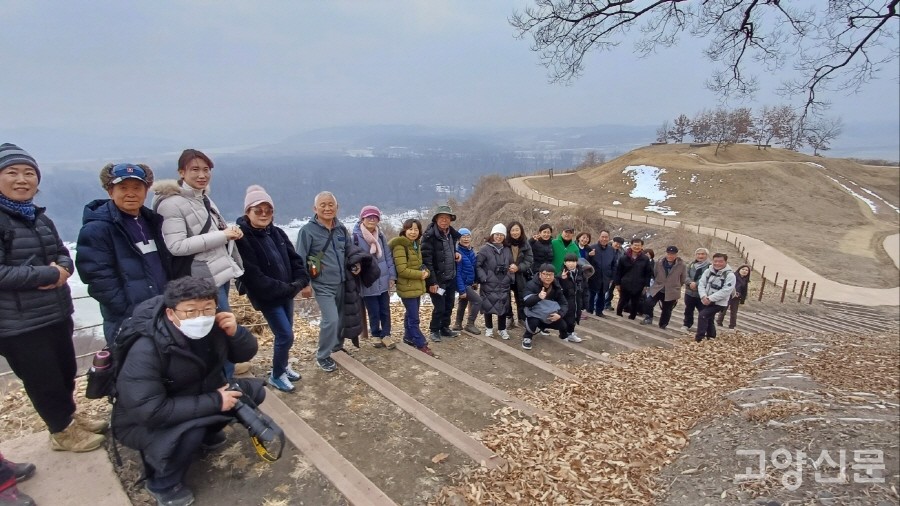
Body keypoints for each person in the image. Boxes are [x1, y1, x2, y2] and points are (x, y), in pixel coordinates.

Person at [112, 277, 264, 506]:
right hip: (140, 421)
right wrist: (215, 402)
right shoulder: (146, 349)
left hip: (196, 394)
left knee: (254, 393)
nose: (200, 317)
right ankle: (163, 483)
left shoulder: (213, 327)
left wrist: (236, 333)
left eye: (207, 309)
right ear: (171, 313)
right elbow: (150, 411)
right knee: (191, 431)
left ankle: (207, 433)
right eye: (190, 311)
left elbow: (244, 354)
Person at [0, 143, 106, 454]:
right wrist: (48, 274)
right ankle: (61, 431)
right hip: (19, 322)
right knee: (43, 379)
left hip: (55, 311)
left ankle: (69, 418)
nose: (22, 179)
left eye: (29, 173)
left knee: (63, 370)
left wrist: (63, 268)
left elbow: (61, 253)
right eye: (12, 172)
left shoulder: (38, 218)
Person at [76, 163, 174, 343]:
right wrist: (129, 310)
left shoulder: (151, 222)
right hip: (128, 319)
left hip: (162, 310)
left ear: (146, 191)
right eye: (123, 188)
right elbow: (97, 278)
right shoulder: (97, 229)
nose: (131, 193)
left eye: (137, 188)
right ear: (110, 191)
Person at [234, 185, 309, 392]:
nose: (264, 214)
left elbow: (295, 260)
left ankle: (283, 366)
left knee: (286, 333)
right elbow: (253, 276)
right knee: (285, 335)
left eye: (268, 210)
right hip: (267, 297)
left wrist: (300, 280)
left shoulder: (277, 233)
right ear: (247, 212)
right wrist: (290, 288)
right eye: (258, 210)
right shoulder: (243, 239)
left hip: (287, 293)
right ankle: (277, 375)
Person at [153, 149, 244, 311]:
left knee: (222, 320)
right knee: (223, 321)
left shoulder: (202, 197)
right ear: (181, 172)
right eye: (195, 169)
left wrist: (230, 232)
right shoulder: (170, 204)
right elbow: (176, 246)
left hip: (218, 273)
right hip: (200, 279)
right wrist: (223, 235)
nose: (202, 175)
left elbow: (214, 229)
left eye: (206, 170)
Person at [295, 191, 348, 372]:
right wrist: (304, 284)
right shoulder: (307, 231)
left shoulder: (341, 229)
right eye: (323, 205)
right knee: (331, 320)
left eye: (330, 204)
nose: (327, 208)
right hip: (322, 284)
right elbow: (299, 259)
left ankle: (337, 347)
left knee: (341, 318)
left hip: (342, 281)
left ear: (337, 207)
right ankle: (323, 355)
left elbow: (349, 251)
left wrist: (356, 265)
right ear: (315, 208)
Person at [352, 205, 397, 349]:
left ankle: (386, 335)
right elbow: (351, 258)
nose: (372, 220)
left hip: (383, 279)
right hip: (367, 281)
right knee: (373, 311)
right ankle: (375, 334)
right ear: (362, 219)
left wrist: (392, 275)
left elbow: (387, 256)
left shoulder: (381, 236)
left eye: (375, 217)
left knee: (385, 310)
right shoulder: (355, 237)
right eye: (368, 217)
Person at [389, 219, 435, 356]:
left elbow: (419, 265)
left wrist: (426, 271)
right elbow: (402, 270)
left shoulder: (415, 244)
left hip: (415, 286)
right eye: (410, 229)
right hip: (407, 286)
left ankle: (408, 337)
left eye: (416, 229)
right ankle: (420, 343)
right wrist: (420, 275)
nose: (413, 232)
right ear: (404, 230)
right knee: (414, 318)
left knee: (410, 313)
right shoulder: (400, 246)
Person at [421, 205, 462, 343]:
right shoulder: (429, 237)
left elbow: (449, 251)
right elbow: (426, 261)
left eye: (447, 218)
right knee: (439, 307)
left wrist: (456, 253)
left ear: (451, 220)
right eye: (441, 218)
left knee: (449, 305)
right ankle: (434, 330)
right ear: (436, 219)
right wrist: (432, 282)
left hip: (450, 277)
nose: (444, 220)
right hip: (437, 280)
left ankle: (444, 328)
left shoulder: (450, 234)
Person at [478, 224, 514, 339]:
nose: (499, 237)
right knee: (487, 305)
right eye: (497, 234)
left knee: (503, 306)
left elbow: (511, 264)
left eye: (501, 235)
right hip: (489, 282)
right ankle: (489, 328)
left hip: (504, 282)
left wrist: (510, 276)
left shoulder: (507, 250)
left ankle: (502, 329)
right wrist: (484, 277)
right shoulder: (485, 249)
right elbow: (477, 265)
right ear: (492, 235)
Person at [520, 264, 569, 351]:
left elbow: (564, 303)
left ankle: (561, 335)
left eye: (550, 274)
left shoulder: (556, 286)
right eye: (545, 274)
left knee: (563, 325)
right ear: (540, 274)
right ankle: (527, 337)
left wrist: (559, 314)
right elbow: (526, 303)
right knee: (533, 322)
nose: (548, 277)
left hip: (547, 314)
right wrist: (538, 297)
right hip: (533, 312)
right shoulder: (531, 285)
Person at [641, 246, 686, 329]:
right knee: (648, 302)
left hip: (671, 290)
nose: (670, 256)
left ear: (676, 255)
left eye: (672, 254)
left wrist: (676, 286)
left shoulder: (681, 265)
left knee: (667, 309)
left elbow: (682, 278)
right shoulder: (660, 262)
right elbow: (655, 273)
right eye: (669, 254)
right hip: (658, 287)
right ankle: (649, 317)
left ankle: (663, 324)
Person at [695, 253, 736, 342]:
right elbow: (701, 284)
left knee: (703, 315)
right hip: (706, 299)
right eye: (715, 261)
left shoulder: (730, 275)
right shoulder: (708, 271)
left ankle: (699, 338)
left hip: (719, 303)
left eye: (720, 261)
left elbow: (726, 291)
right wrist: (703, 296)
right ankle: (711, 336)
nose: (717, 264)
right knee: (709, 318)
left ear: (725, 262)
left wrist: (710, 298)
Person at [613, 238, 653, 320]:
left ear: (642, 246)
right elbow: (618, 272)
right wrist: (617, 283)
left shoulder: (645, 259)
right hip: (625, 282)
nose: (636, 247)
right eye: (635, 245)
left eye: (639, 245)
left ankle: (632, 316)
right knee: (623, 299)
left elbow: (648, 273)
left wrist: (646, 285)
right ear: (631, 246)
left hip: (639, 284)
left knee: (635, 301)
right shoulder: (624, 258)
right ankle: (619, 313)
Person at [452, 227, 482, 334]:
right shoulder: (458, 253)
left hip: (468, 283)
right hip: (462, 284)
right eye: (463, 237)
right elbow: (458, 274)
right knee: (478, 301)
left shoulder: (471, 251)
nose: (466, 239)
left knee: (463, 301)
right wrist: (462, 290)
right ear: (459, 239)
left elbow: (473, 269)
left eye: (468, 236)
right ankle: (470, 324)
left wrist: (475, 282)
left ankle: (457, 324)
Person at [503, 221, 533, 328]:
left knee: (521, 296)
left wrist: (518, 267)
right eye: (513, 230)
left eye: (517, 230)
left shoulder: (525, 243)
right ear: (509, 231)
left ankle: (522, 318)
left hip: (520, 275)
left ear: (521, 231)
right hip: (506, 274)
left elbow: (529, 260)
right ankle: (509, 317)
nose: (515, 232)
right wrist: (507, 267)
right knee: (505, 297)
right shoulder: (504, 243)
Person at [558, 253, 589, 342]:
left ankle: (570, 333)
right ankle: (563, 335)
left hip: (577, 300)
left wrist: (585, 303)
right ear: (565, 263)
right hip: (566, 301)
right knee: (566, 318)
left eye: (573, 261)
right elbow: (559, 290)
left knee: (575, 317)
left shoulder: (581, 274)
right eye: (568, 261)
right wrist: (562, 279)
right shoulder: (561, 274)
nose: (571, 264)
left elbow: (585, 289)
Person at [680, 248, 711, 332]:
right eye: (698, 254)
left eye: (702, 254)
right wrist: (690, 282)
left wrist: (696, 284)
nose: (700, 256)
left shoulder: (710, 267)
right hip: (689, 292)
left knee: (703, 311)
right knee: (688, 309)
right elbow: (685, 275)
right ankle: (687, 324)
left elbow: (707, 278)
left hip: (702, 294)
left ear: (706, 255)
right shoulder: (691, 264)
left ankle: (703, 328)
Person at [588, 230, 617, 317]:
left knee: (602, 294)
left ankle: (599, 311)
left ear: (609, 238)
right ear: (599, 237)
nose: (604, 239)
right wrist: (590, 256)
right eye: (602, 237)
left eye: (606, 237)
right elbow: (586, 262)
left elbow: (614, 264)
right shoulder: (592, 247)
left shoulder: (611, 250)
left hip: (606, 276)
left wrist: (612, 276)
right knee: (591, 294)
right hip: (594, 276)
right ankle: (589, 310)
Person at [717, 264, 750, 331]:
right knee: (724, 308)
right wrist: (733, 292)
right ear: (739, 270)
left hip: (737, 297)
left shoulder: (745, 280)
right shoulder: (733, 276)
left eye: (746, 270)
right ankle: (719, 322)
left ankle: (732, 325)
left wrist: (742, 299)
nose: (744, 271)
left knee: (734, 312)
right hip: (728, 295)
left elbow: (744, 291)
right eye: (743, 269)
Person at [603, 236, 625, 310]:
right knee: (603, 289)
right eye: (617, 243)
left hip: (616, 274)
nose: (618, 245)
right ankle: (598, 304)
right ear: (613, 242)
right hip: (606, 272)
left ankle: (607, 304)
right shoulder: (606, 249)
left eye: (620, 244)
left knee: (610, 290)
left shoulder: (621, 252)